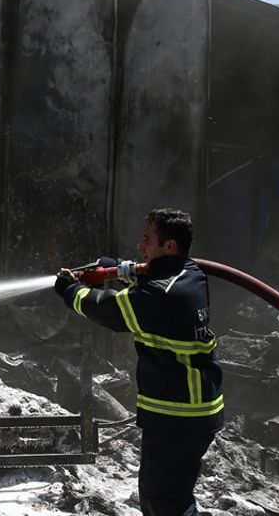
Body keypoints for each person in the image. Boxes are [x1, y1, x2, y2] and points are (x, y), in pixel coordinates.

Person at [54, 208, 223, 516]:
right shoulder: (189, 273)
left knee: (168, 506)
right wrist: (115, 270)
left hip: (180, 415)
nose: (140, 245)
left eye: (147, 239)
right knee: (157, 500)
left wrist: (71, 291)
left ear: (169, 246)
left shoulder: (164, 293)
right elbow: (148, 277)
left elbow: (112, 311)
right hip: (180, 412)